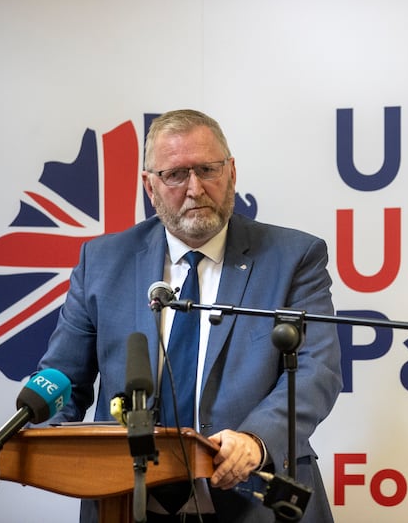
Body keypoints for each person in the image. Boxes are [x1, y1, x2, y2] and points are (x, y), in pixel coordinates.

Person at [38, 109, 343, 522]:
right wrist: (54, 448)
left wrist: (255, 440)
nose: (196, 188)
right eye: (176, 175)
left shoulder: (293, 258)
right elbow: (63, 381)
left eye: (207, 169)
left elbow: (315, 372)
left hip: (255, 497)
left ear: (231, 172)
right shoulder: (103, 261)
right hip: (126, 500)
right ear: (150, 185)